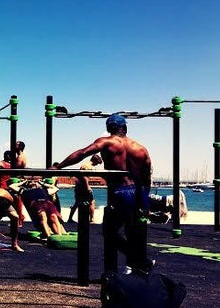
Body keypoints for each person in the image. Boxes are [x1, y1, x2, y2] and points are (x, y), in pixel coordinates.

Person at [53, 114, 153, 272]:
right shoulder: (141, 149)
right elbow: (147, 176)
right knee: (134, 232)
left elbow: (82, 153)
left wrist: (58, 167)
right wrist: (144, 197)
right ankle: (138, 265)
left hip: (120, 192)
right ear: (125, 128)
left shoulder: (106, 142)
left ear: (109, 129)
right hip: (139, 192)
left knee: (109, 231)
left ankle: (137, 260)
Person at [67, 155, 102, 223]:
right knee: (92, 202)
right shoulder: (87, 166)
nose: (96, 165)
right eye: (97, 163)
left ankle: (70, 218)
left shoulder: (85, 165)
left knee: (77, 203)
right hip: (83, 187)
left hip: (79, 187)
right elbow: (84, 177)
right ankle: (91, 219)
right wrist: (88, 186)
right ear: (95, 160)